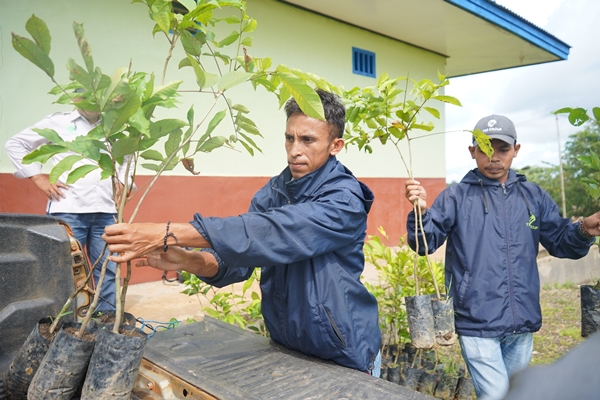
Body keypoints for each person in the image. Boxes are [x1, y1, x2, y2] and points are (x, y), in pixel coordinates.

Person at [103, 89, 382, 375]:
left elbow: (273, 232)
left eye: (308, 140)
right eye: (290, 138)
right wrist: (190, 260)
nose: (295, 150)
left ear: (335, 145)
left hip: (344, 353)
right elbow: (239, 257)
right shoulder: (275, 191)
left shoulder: (344, 199)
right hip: (286, 349)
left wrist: (167, 232)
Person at [404, 114, 600, 399]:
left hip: (522, 319)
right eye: (484, 148)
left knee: (514, 393)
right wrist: (420, 212)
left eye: (502, 149)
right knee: (496, 395)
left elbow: (559, 241)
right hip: (477, 320)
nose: (493, 156)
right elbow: (425, 242)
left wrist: (584, 229)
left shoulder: (533, 196)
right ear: (472, 152)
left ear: (516, 150)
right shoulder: (456, 197)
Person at [4, 93, 132, 311]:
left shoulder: (115, 126)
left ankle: (106, 320)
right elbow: (15, 144)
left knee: (109, 268)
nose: (91, 99)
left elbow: (128, 154)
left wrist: (124, 180)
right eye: (83, 95)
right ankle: (66, 323)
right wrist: (37, 177)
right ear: (74, 98)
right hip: (69, 210)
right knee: (64, 269)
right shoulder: (58, 122)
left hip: (107, 209)